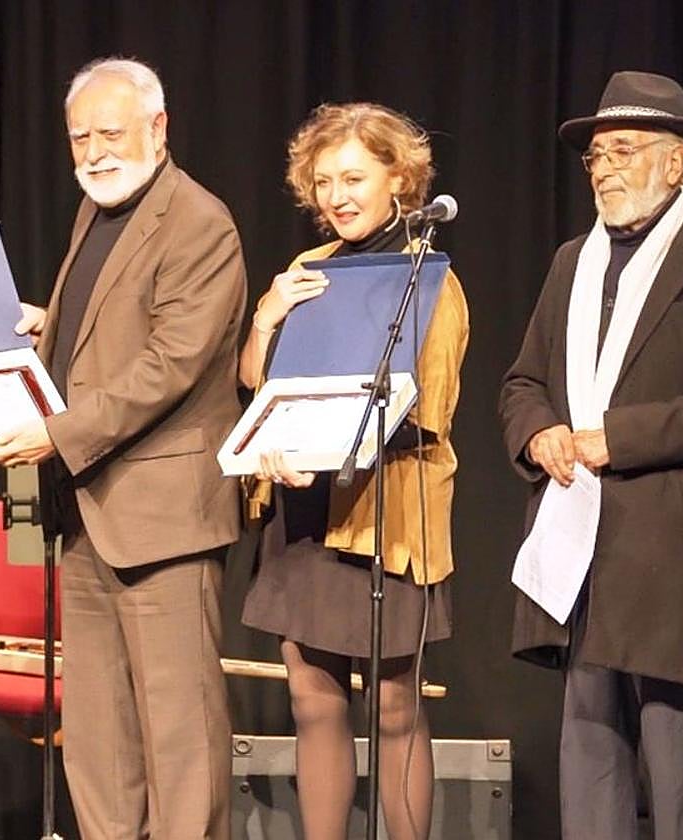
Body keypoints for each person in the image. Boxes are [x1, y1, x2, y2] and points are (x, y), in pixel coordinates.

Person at [0, 57, 246, 840]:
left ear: (158, 129)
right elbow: (102, 330)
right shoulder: (95, 211)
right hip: (80, 510)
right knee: (97, 736)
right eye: (79, 137)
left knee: (179, 732)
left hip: (160, 517)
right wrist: (49, 326)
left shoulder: (199, 221)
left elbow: (171, 363)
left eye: (109, 133)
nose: (93, 151)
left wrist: (55, 432)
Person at [499, 70, 683, 839]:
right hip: (581, 543)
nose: (601, 168)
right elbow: (523, 381)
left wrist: (616, 437)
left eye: (620, 151)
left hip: (672, 553)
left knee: (678, 765)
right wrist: (538, 433)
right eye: (594, 155)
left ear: (675, 161)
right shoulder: (574, 261)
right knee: (590, 758)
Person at [238, 103, 469, 840]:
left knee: (395, 703)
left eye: (354, 177)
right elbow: (257, 385)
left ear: (398, 177)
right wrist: (266, 316)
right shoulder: (306, 272)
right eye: (323, 180)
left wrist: (315, 445)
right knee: (313, 698)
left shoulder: (429, 279)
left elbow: (425, 408)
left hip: (386, 504)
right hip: (303, 507)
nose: (336, 195)